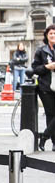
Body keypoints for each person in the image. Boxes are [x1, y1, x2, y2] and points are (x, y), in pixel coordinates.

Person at [32, 23, 55, 152]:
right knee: (50, 114)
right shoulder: (41, 51)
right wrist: (47, 67)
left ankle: (44, 137)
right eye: (51, 33)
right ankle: (54, 143)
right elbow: (35, 69)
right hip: (45, 87)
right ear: (46, 35)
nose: (53, 35)